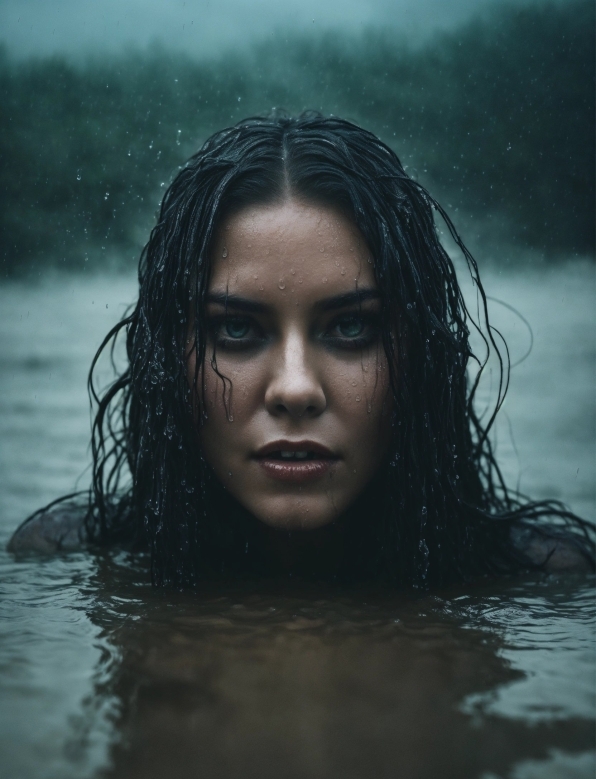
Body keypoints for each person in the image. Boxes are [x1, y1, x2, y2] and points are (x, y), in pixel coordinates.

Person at [9, 113, 594, 586]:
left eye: (350, 328)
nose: (294, 389)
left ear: (420, 358)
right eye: (236, 330)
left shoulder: (548, 583)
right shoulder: (61, 564)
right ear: (169, 360)